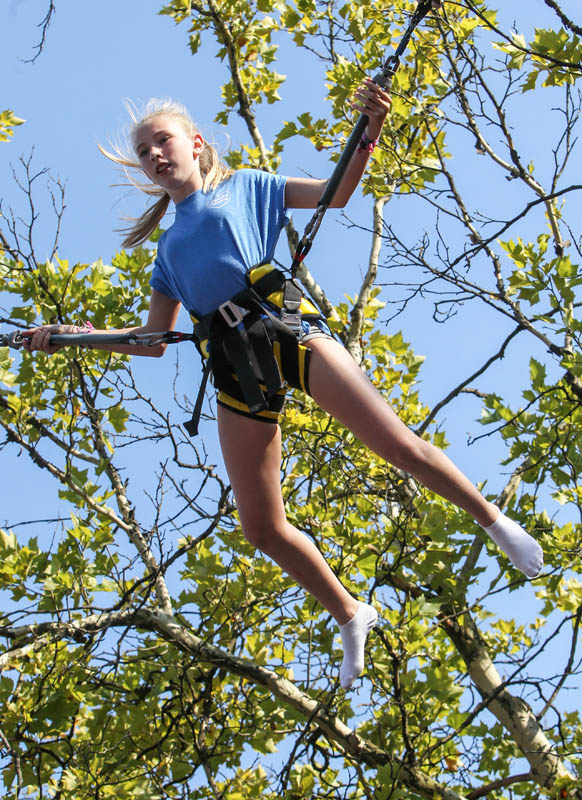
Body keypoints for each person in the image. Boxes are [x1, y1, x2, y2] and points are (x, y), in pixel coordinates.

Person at [24, 78, 543, 689]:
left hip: (287, 327)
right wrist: (73, 336)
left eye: (162, 141)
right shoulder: (166, 252)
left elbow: (335, 194)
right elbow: (153, 340)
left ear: (195, 143)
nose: (154, 156)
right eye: (143, 152)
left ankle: (493, 521)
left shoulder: (248, 186)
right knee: (261, 527)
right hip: (234, 366)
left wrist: (371, 128)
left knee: (396, 444)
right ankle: (350, 612)